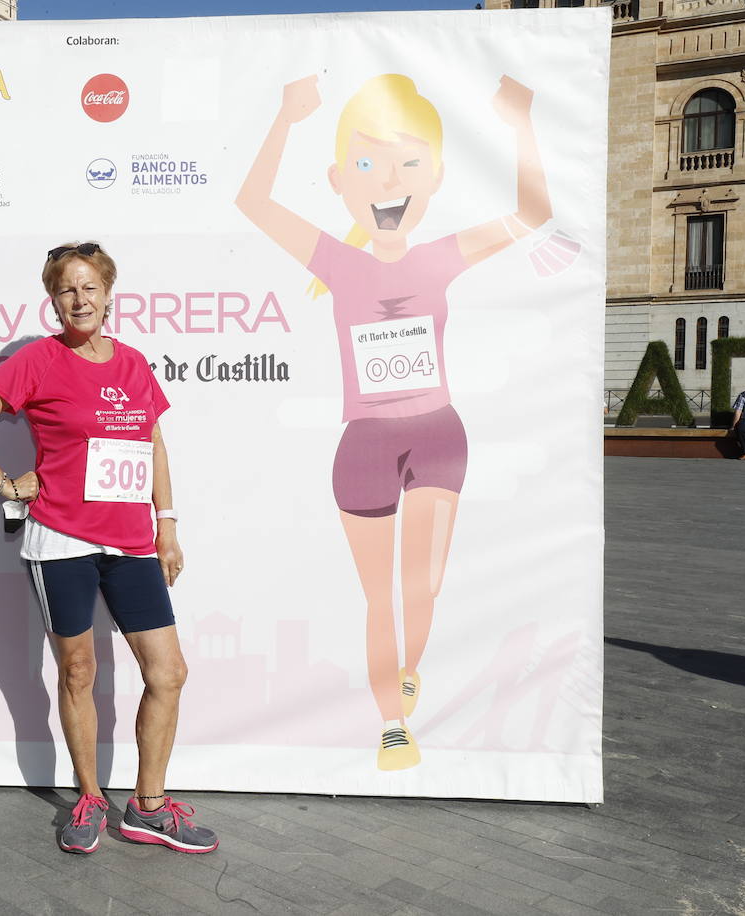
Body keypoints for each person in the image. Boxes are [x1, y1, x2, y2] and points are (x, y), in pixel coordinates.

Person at [236, 73, 551, 770]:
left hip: (438, 434)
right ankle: (392, 724)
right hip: (366, 446)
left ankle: (408, 666)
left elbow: (531, 212)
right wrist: (286, 117)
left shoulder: (442, 257)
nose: (387, 182)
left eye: (408, 164)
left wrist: (520, 123)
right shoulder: (337, 263)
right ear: (339, 179)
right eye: (367, 165)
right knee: (380, 595)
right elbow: (252, 201)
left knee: (425, 585)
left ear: (434, 177)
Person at [0, 241, 218, 855]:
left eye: (90, 286)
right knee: (78, 670)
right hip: (60, 538)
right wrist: (7, 485)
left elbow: (153, 444)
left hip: (130, 543)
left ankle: (148, 807)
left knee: (168, 673)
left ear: (109, 293)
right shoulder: (36, 361)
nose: (79, 298)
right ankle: (90, 798)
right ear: (53, 301)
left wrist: (165, 524)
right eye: (67, 289)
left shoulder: (135, 363)